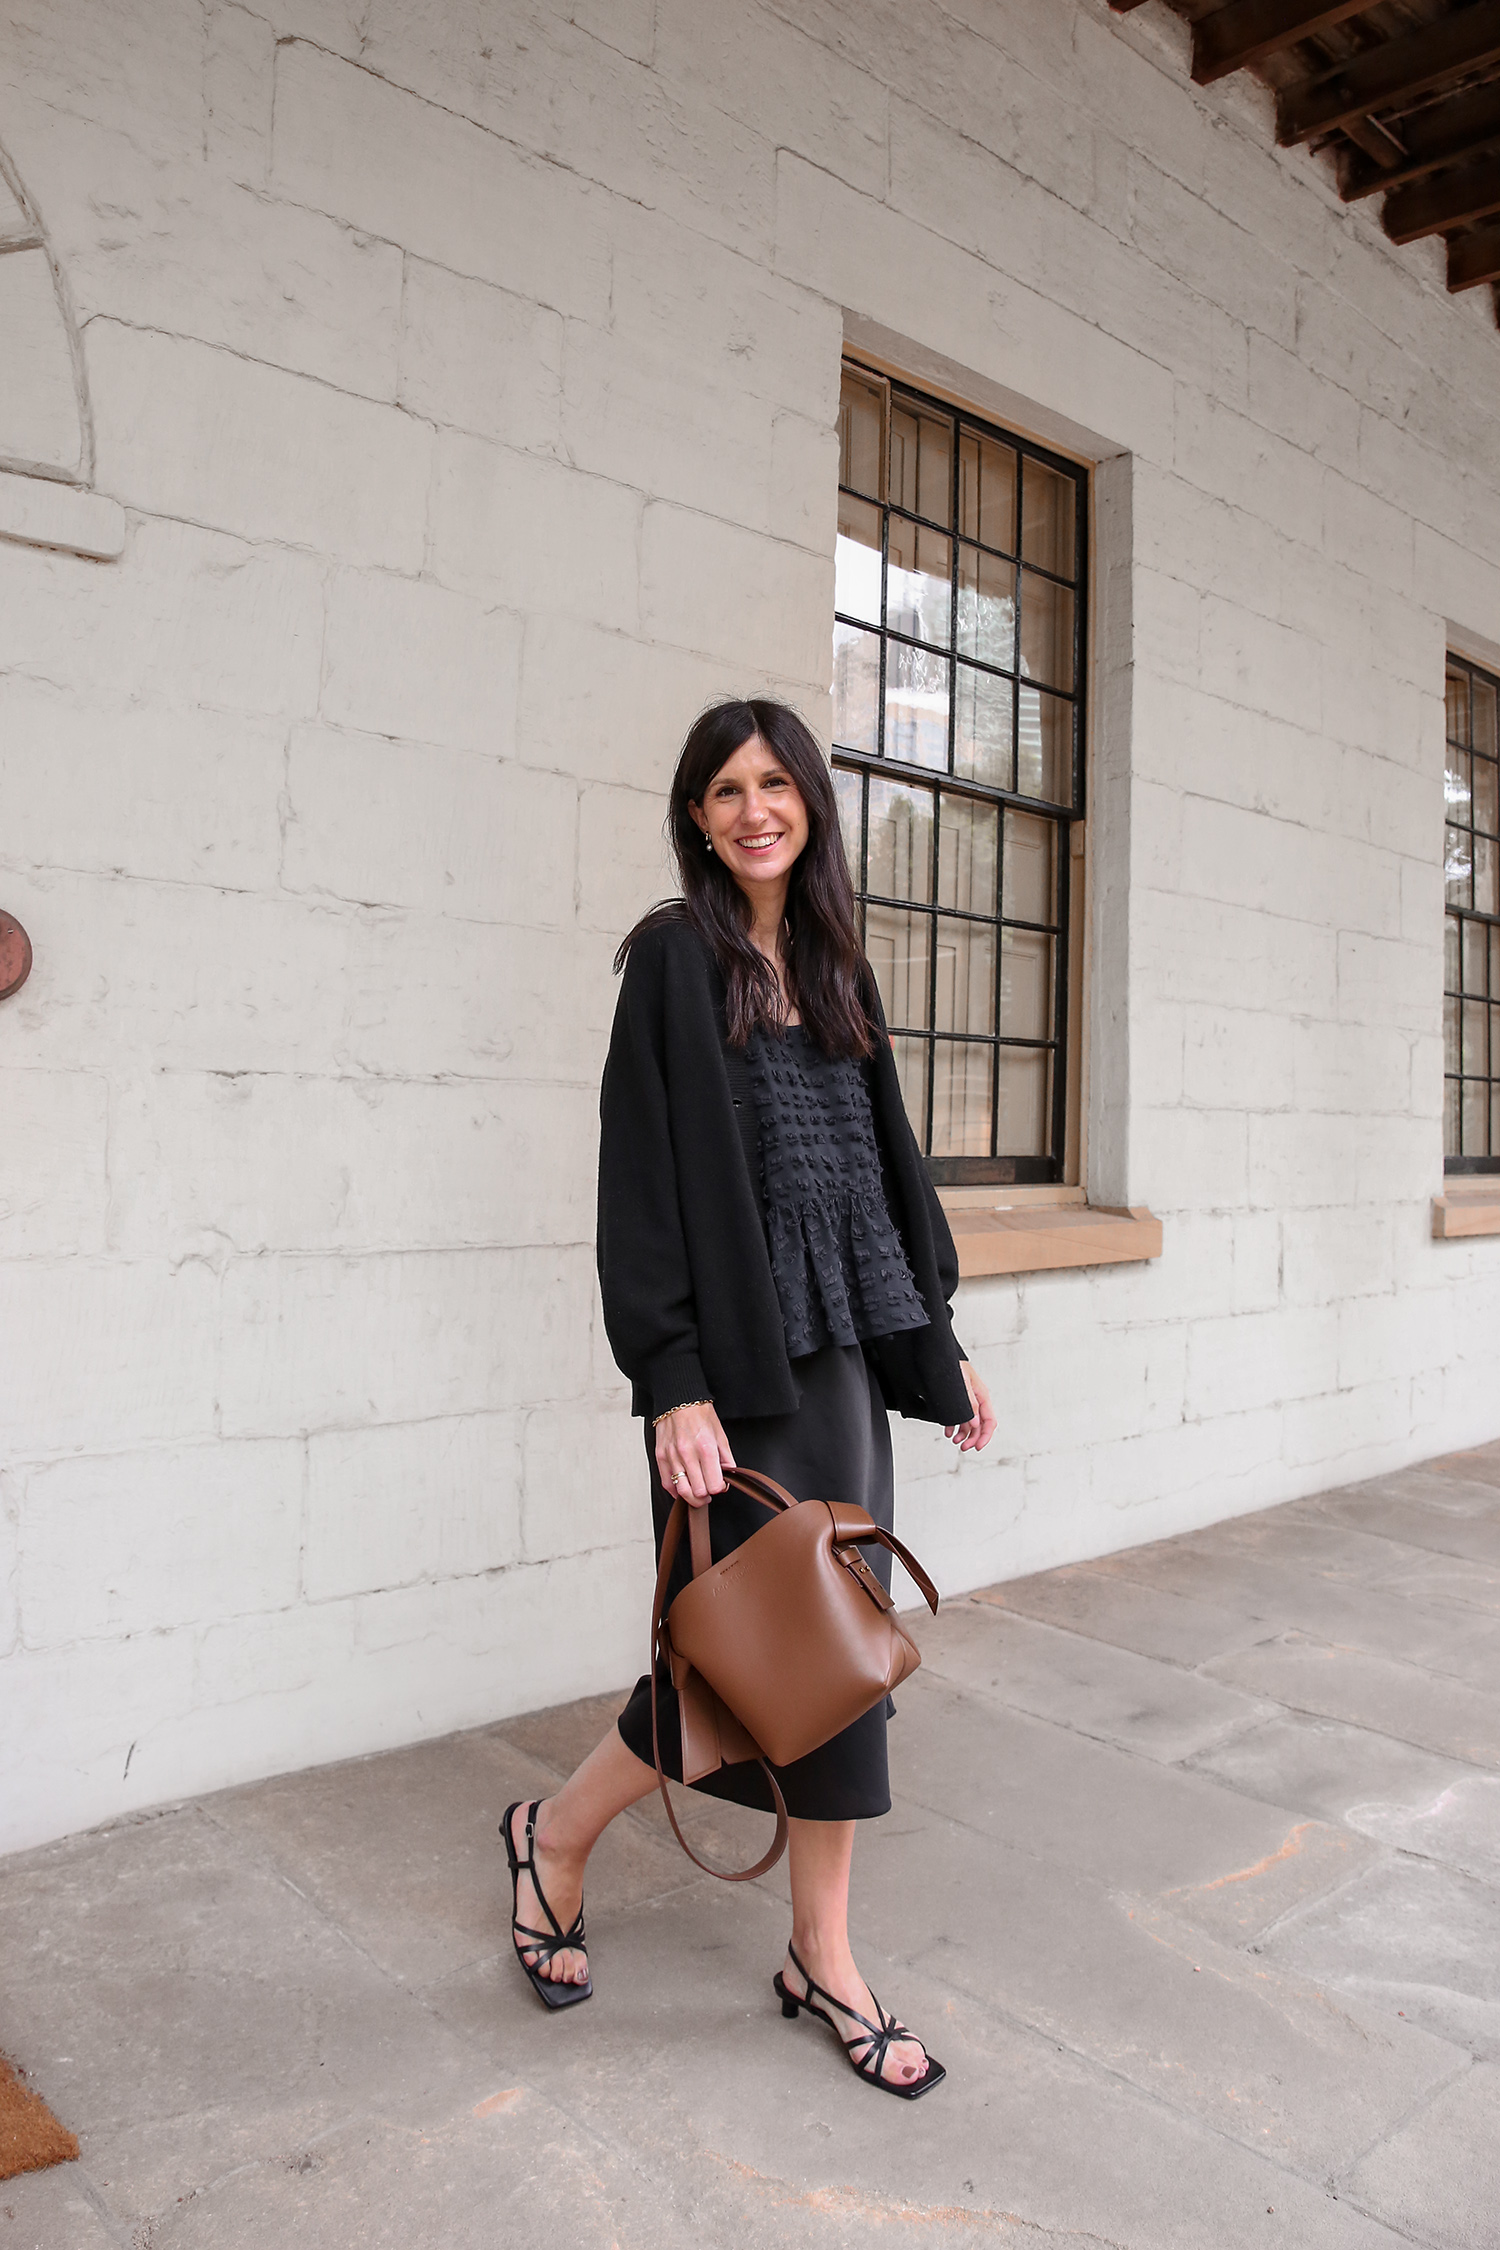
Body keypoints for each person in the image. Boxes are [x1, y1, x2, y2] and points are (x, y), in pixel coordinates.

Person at [501, 697, 996, 2098]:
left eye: (775, 782)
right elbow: (639, 1179)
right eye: (725, 788)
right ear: (698, 816)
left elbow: (885, 1183)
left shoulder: (838, 966)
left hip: (841, 1365)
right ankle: (556, 1834)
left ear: (810, 806)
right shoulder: (673, 958)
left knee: (837, 1665)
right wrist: (670, 1380)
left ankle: (822, 1954)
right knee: (728, 1670)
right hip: (735, 1376)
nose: (753, 808)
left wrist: (938, 1347)